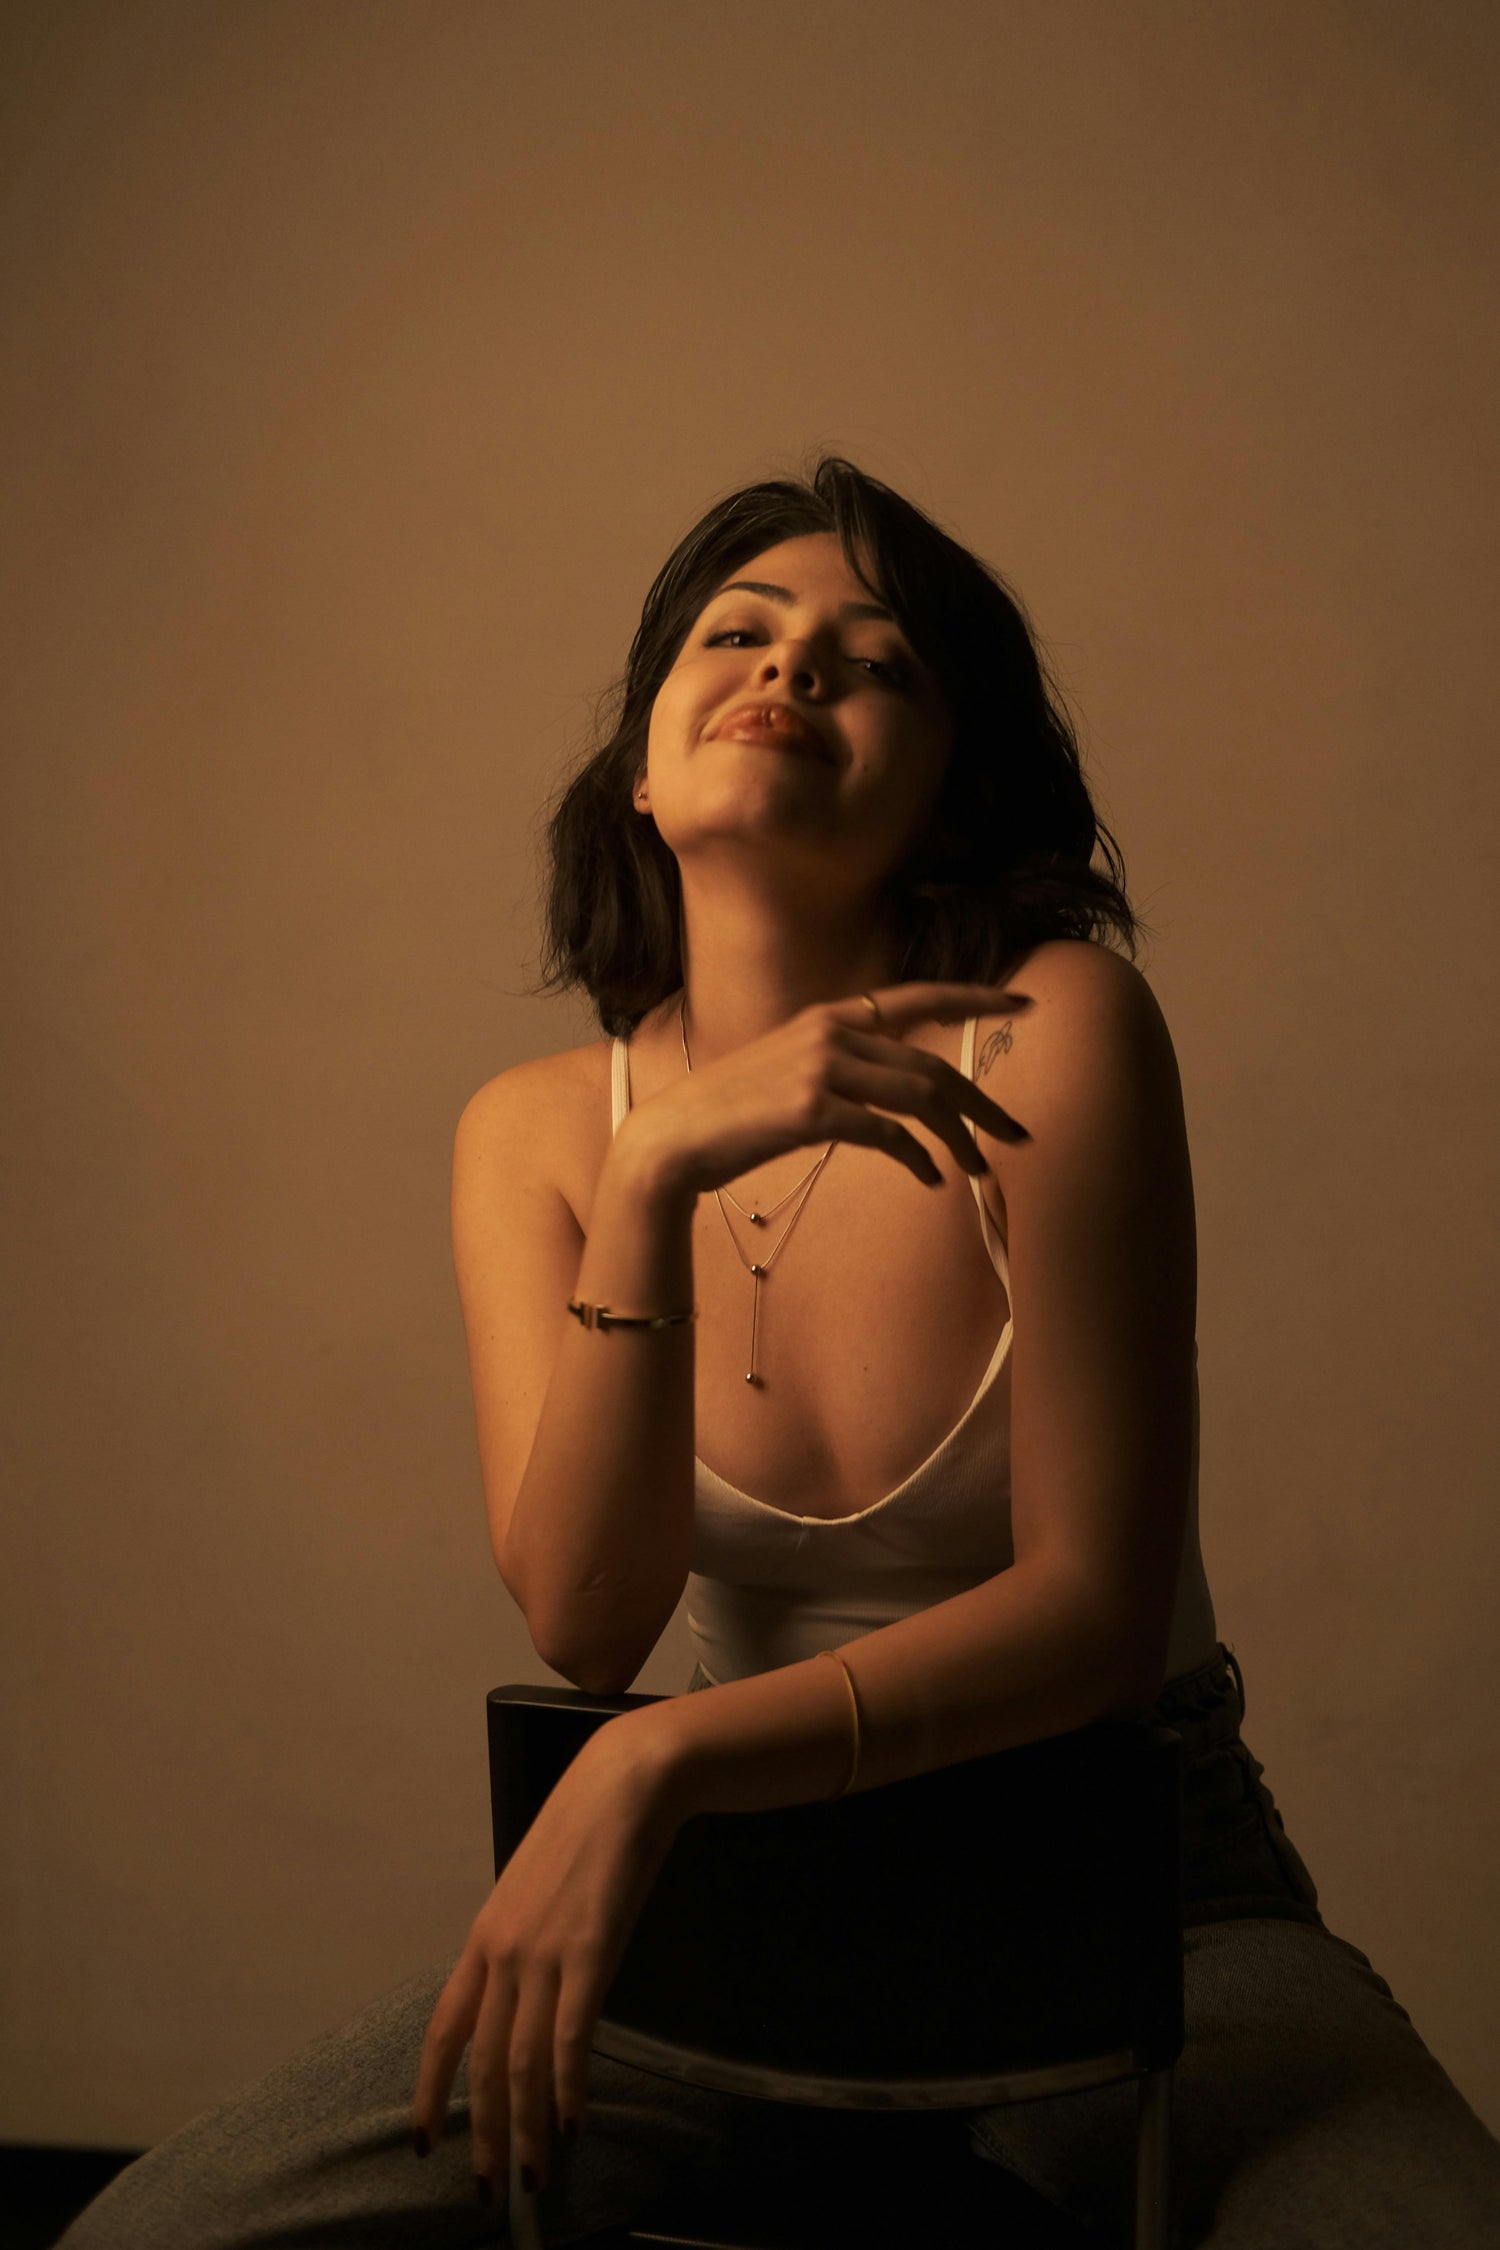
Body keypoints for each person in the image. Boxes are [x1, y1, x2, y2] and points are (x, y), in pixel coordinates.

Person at [59, 457, 1500, 2247]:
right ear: (640, 773)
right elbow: (590, 1622)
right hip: (731, 1910)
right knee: (156, 2233)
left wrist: (656, 1760)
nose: (793, 665)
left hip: (1132, 1886)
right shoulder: (534, 1133)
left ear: (948, 788)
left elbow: (1098, 1614)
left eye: (873, 660)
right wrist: (650, 1174)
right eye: (736, 632)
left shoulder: (1054, 1030)